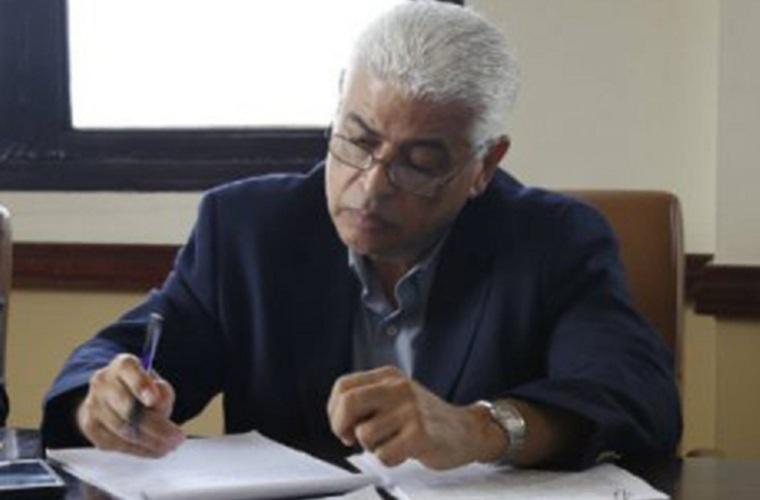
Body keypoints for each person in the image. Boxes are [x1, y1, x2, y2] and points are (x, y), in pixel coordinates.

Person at [42, 1, 680, 470]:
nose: (371, 186)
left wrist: (479, 429)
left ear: (484, 165)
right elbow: (122, 355)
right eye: (357, 140)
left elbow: (638, 396)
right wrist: (105, 400)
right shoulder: (248, 230)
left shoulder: (553, 241)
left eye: (420, 163)